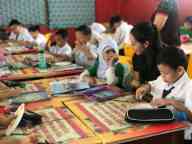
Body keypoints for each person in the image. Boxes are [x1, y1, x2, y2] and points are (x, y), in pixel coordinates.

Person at [135, 47, 192, 144]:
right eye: (160, 72)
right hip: (158, 127)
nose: (162, 76)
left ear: (180, 70)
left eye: (165, 73)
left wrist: (171, 102)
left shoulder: (189, 87)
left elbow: (190, 116)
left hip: (179, 136)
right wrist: (146, 87)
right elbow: (153, 84)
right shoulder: (164, 78)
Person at [129, 22, 161, 88]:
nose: (131, 46)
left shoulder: (163, 58)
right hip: (145, 94)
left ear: (146, 44)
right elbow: (136, 80)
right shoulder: (136, 56)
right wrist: (135, 82)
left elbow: (166, 86)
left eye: (134, 44)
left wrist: (146, 87)